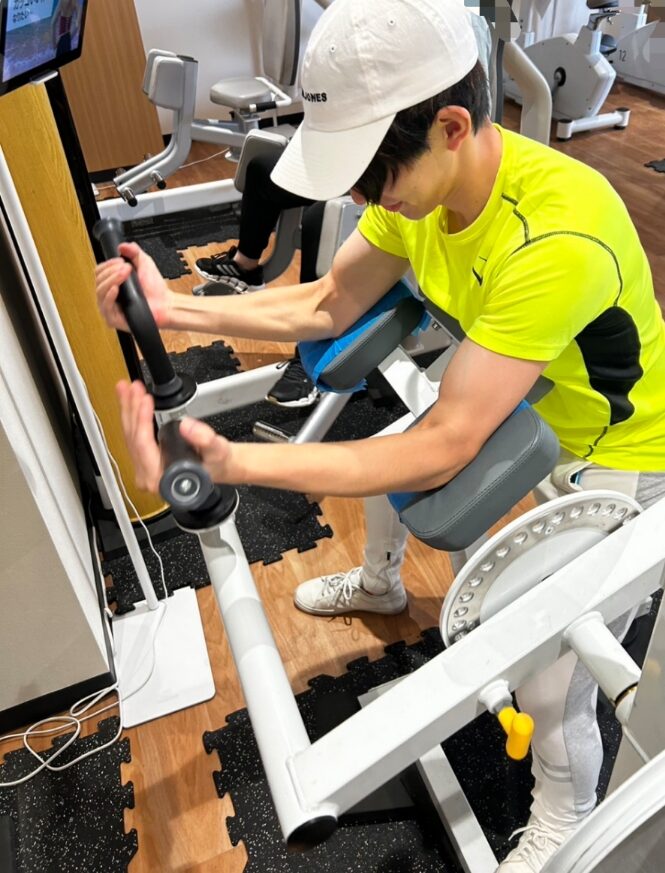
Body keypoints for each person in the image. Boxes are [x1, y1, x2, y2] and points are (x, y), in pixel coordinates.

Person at [95, 0, 665, 869]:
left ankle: (564, 812)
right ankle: (382, 584)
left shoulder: (553, 236)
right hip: (531, 404)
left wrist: (233, 458)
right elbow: (330, 301)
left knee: (551, 669)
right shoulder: (416, 190)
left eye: (372, 175)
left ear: (450, 126)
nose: (363, 198)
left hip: (618, 453)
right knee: (396, 468)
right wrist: (175, 310)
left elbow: (445, 444)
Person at [194, 151, 322, 408]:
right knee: (262, 169)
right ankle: (245, 267)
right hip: (337, 163)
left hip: (374, 173)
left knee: (319, 215)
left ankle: (311, 352)